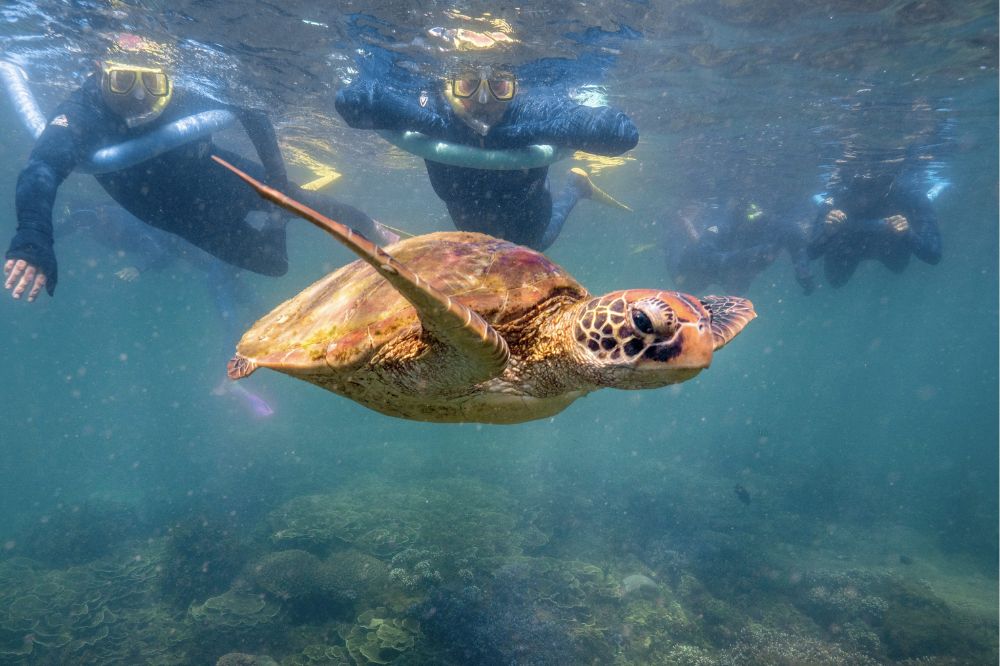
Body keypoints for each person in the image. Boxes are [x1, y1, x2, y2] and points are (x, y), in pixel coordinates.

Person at [4, 34, 393, 303]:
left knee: (299, 199)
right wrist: (33, 237)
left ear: (168, 79)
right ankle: (280, 223)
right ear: (100, 69)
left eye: (151, 84)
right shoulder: (82, 112)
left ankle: (376, 231)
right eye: (123, 82)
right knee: (273, 265)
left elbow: (254, 113)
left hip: (216, 174)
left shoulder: (186, 92)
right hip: (178, 215)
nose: (139, 97)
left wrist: (276, 186)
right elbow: (41, 169)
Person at [335, 61, 638, 251]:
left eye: (500, 87)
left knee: (539, 245)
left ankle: (575, 188)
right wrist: (435, 125)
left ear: (516, 88)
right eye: (468, 84)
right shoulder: (434, 108)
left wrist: (505, 135)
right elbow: (353, 100)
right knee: (478, 250)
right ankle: (576, 187)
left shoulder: (531, 110)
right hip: (467, 225)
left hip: (530, 222)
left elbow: (619, 134)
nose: (484, 101)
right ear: (448, 84)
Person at [58, 202, 275, 416]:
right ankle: (253, 357)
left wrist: (138, 267)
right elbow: (67, 228)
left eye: (88, 219)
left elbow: (158, 252)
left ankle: (231, 378)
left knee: (230, 311)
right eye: (79, 222)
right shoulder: (94, 222)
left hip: (214, 258)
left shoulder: (123, 221)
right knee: (247, 302)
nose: (85, 226)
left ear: (101, 211)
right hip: (213, 256)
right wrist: (31, 245)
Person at [806, 163, 942, 288]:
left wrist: (908, 234)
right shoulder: (837, 196)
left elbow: (934, 255)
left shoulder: (911, 196)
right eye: (859, 185)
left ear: (892, 182)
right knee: (835, 281)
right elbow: (811, 252)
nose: (866, 199)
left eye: (878, 184)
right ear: (851, 180)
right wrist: (827, 232)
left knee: (898, 266)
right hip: (853, 246)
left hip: (885, 248)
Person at [665, 198, 816, 295]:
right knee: (684, 282)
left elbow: (794, 235)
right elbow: (704, 255)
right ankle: (682, 229)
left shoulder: (773, 227)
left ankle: (689, 233)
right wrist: (747, 256)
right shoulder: (725, 224)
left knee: (737, 292)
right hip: (705, 264)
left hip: (727, 265)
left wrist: (803, 271)